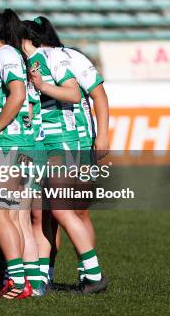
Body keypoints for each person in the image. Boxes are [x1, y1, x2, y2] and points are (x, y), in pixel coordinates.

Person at [25, 16, 108, 294]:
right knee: (44, 214)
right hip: (49, 144)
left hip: (77, 142)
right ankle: (47, 274)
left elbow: (99, 95)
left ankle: (89, 273)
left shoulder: (68, 57)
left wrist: (103, 134)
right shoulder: (34, 61)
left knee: (74, 212)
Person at [0, 9, 40, 299]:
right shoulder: (7, 55)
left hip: (8, 145)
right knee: (14, 217)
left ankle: (17, 281)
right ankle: (24, 281)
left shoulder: (4, 55)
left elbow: (17, 94)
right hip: (20, 144)